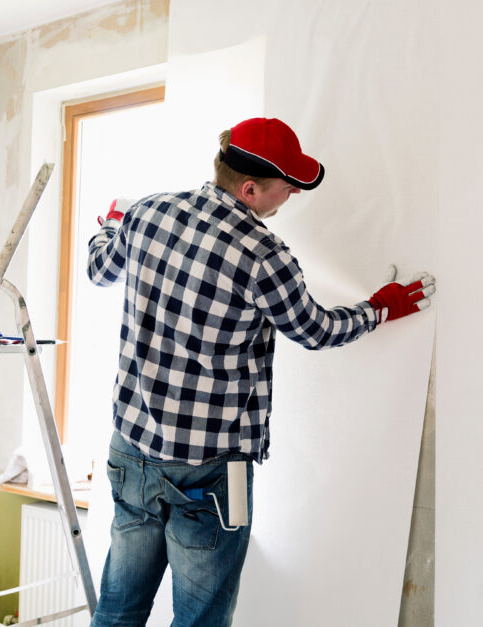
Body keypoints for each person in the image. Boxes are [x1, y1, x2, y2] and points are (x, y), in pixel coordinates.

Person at [85, 117, 435, 627]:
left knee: (118, 608)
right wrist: (381, 308)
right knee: (200, 619)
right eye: (286, 187)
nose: (290, 195)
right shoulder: (262, 254)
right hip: (209, 470)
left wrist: (111, 225)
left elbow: (100, 269)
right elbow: (315, 330)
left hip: (131, 451)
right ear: (249, 189)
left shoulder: (147, 213)